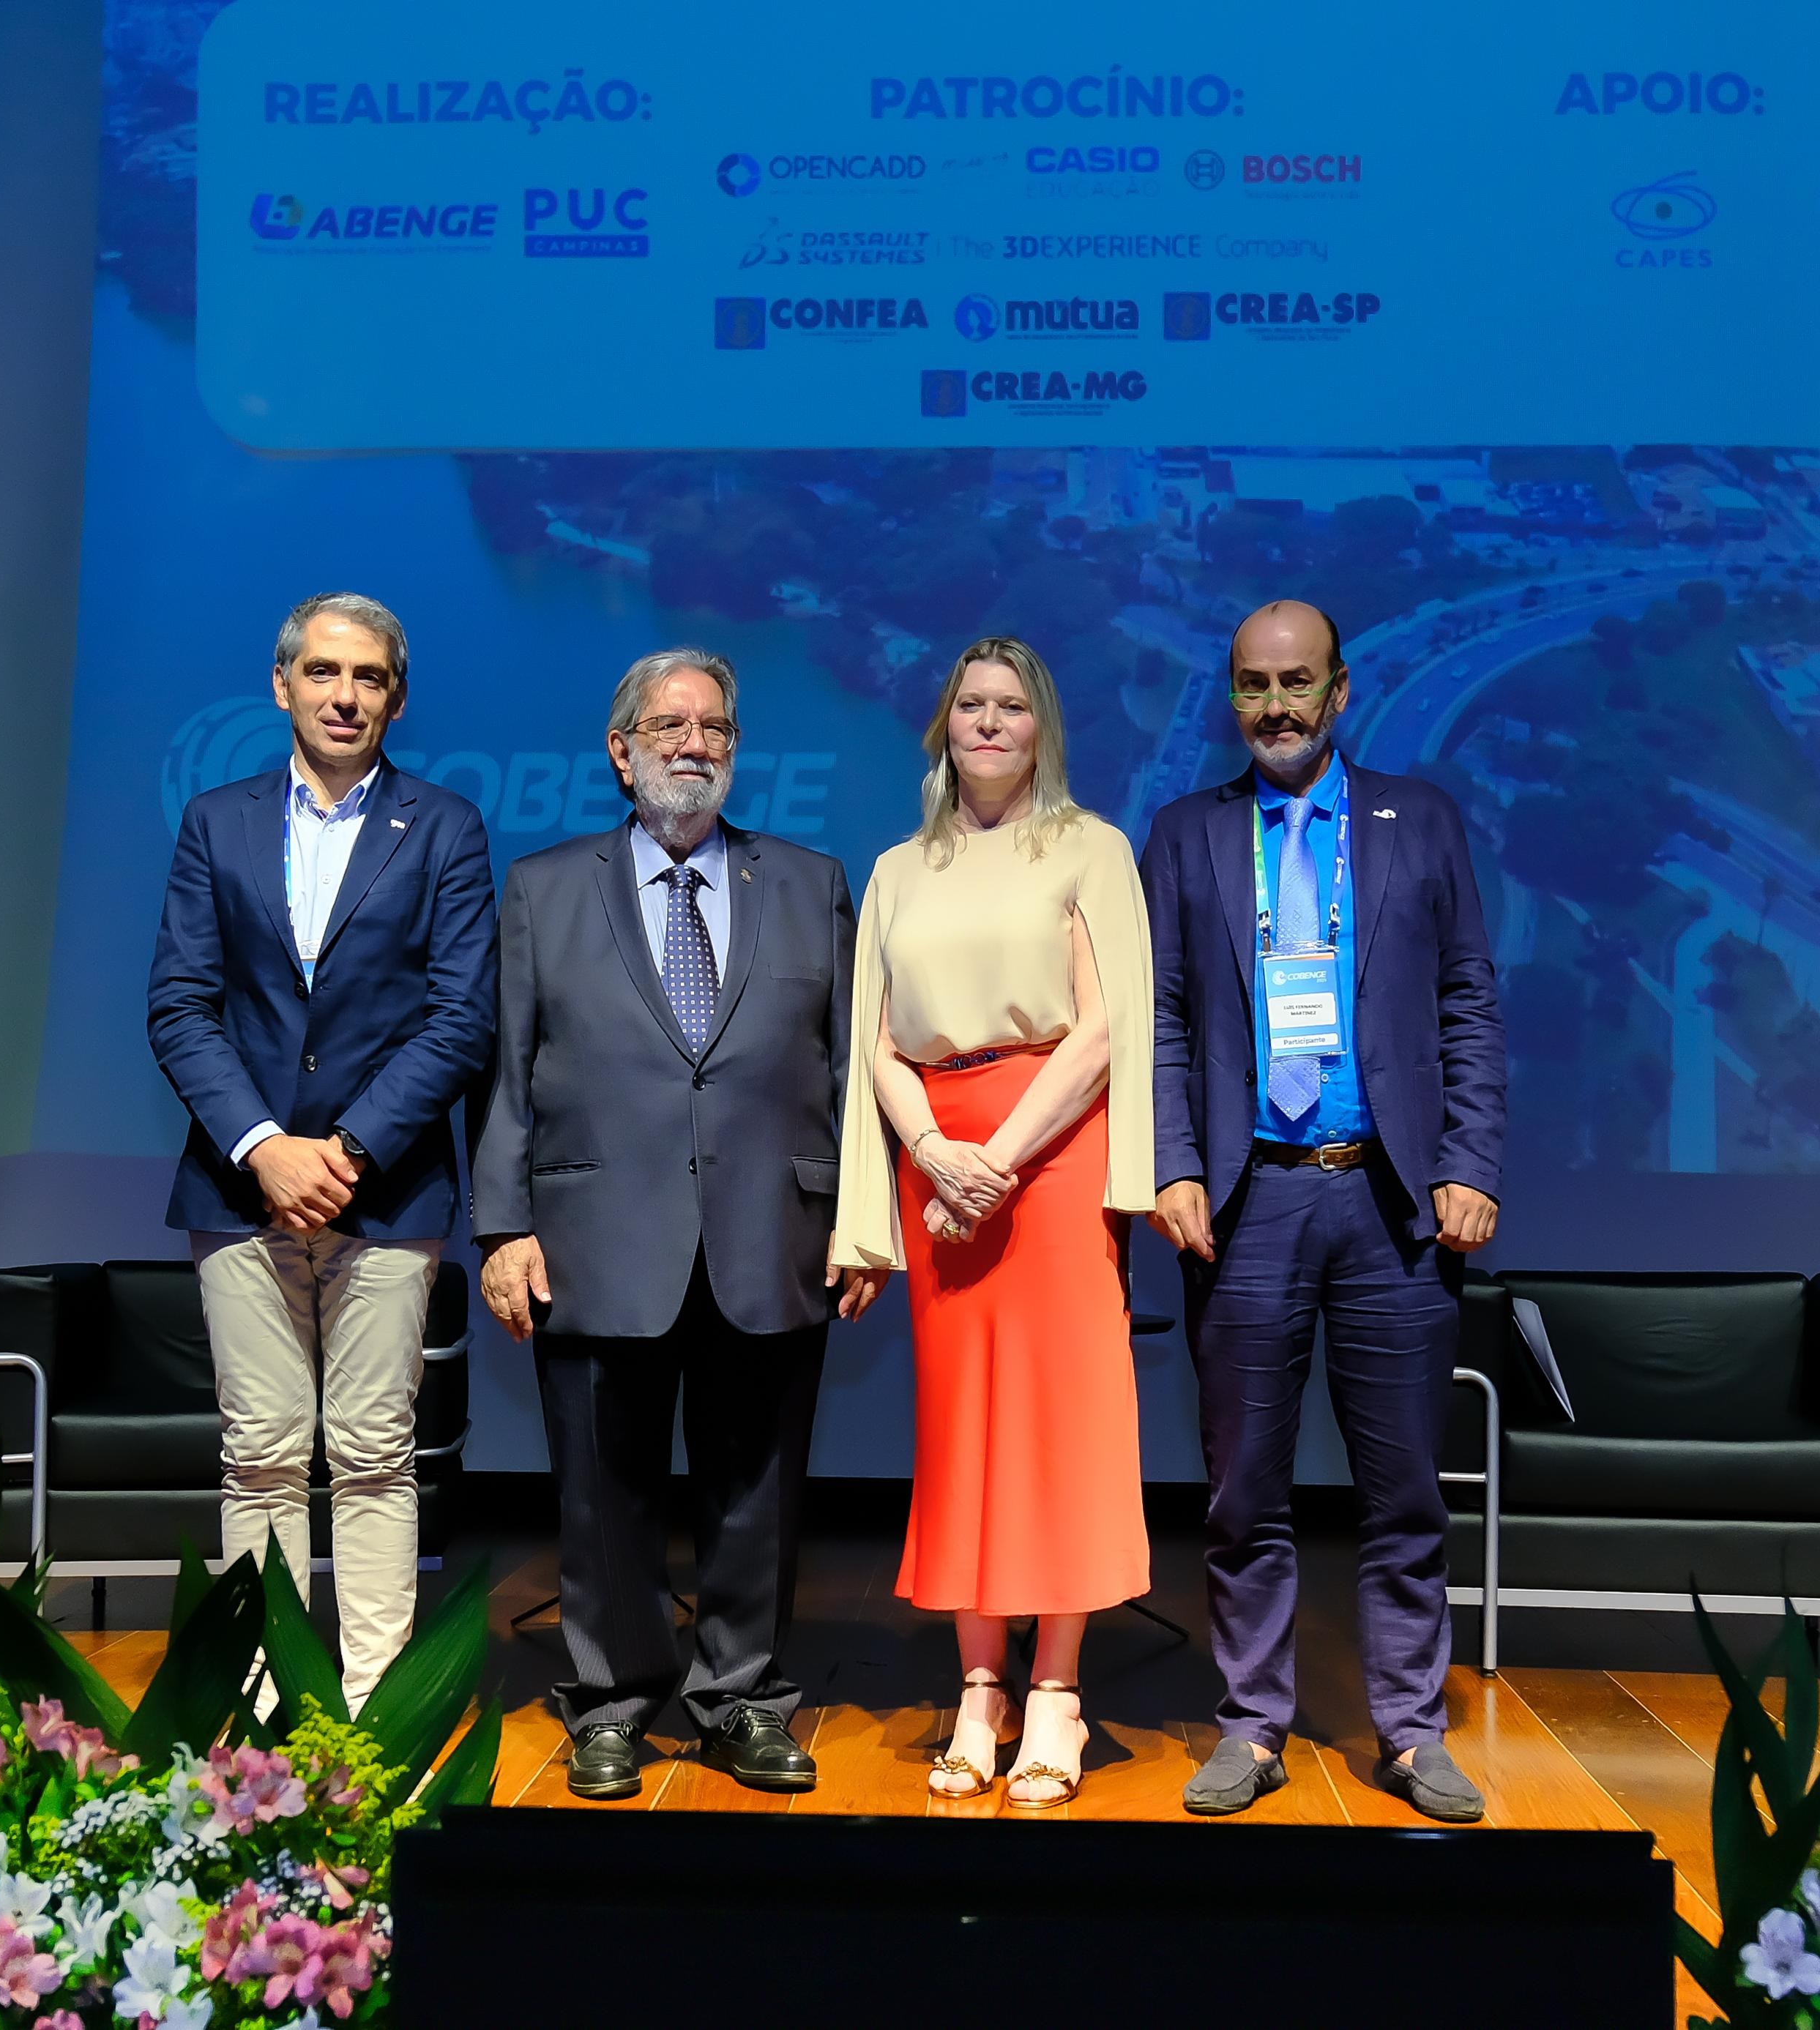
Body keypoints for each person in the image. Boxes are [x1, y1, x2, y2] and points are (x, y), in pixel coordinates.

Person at [474, 648, 885, 1799]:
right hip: (594, 1231)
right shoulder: (546, 888)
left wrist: (865, 1220)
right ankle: (611, 1701)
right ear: (621, 749)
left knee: (756, 1486)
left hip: (772, 1231)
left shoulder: (809, 882)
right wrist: (503, 1225)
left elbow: (850, 1067)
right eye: (668, 724)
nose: (693, 742)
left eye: (714, 726)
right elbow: (507, 1073)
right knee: (604, 1491)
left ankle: (744, 1699)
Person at [1139, 598, 1507, 1821]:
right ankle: (1251, 1723)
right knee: (1245, 1492)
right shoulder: (1187, 833)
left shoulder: (1421, 819)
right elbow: (1167, 1020)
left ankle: (1410, 1729)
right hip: (1247, 1207)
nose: (1278, 706)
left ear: (1341, 689)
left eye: (1299, 683)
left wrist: (1472, 1161)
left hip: (1393, 1204)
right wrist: (1174, 1163)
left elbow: (1467, 1001)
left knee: (1402, 1489)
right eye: (1254, 685)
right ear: (1231, 697)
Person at [146, 592, 499, 1713]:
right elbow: (181, 1007)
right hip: (238, 1189)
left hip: (387, 1191)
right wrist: (264, 1147)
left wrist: (342, 1148)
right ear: (283, 682)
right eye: (326, 672)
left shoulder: (444, 825)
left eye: (371, 678)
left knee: (374, 1451)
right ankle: (257, 1703)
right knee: (257, 1451)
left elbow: (462, 1017)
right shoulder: (217, 820)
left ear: (397, 697)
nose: (347, 695)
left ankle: (374, 1706)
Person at [834, 635, 1155, 1808]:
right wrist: (932, 1153)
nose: (987, 721)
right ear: (942, 725)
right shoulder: (896, 870)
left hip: (1052, 1158)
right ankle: (979, 1685)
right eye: (969, 703)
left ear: (1042, 726)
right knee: (964, 1422)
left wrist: (1002, 1159)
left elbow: (1107, 1025)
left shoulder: (1093, 848)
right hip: (941, 1162)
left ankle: (1058, 1690)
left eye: (1012, 703)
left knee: (1061, 1420)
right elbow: (873, 1039)